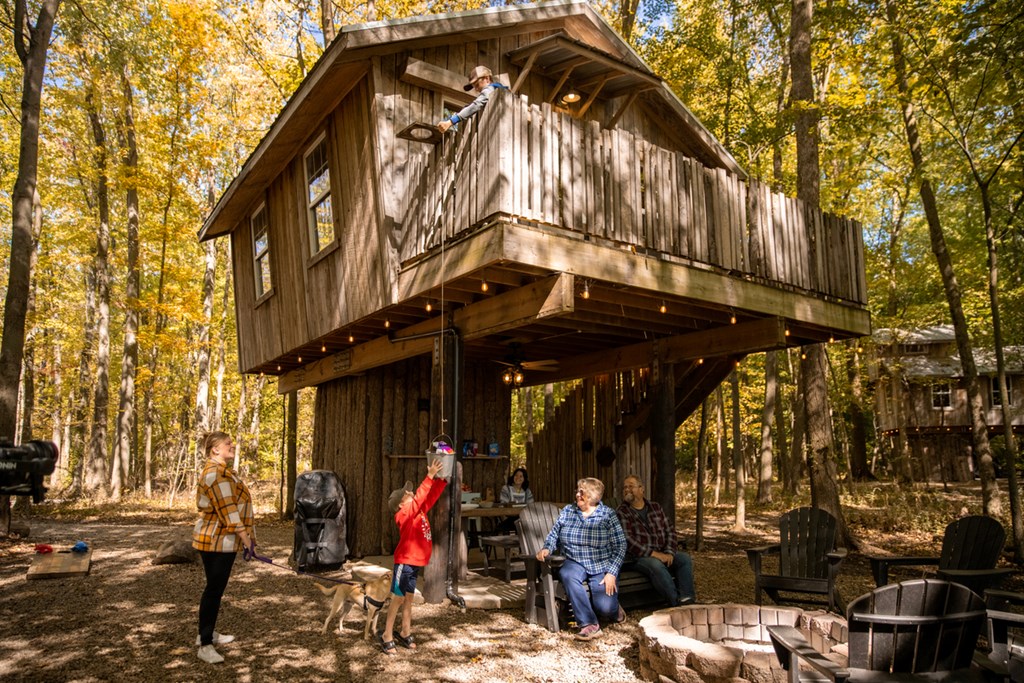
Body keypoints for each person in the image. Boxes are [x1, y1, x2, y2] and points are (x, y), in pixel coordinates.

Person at [192, 431, 255, 665]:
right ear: (214, 450)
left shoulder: (223, 472)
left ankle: (206, 633)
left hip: (222, 540)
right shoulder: (215, 474)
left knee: (215, 590)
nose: (232, 445)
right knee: (213, 591)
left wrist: (249, 537)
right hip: (215, 541)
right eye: (227, 443)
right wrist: (247, 540)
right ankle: (205, 644)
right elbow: (228, 511)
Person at [536, 477, 626, 640]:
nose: (577, 494)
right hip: (574, 561)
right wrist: (547, 547)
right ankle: (589, 624)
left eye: (581, 492)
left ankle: (615, 610)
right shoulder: (568, 511)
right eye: (577, 491)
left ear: (592, 496)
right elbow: (554, 534)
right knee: (568, 574)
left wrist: (611, 573)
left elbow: (620, 545)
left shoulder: (607, 515)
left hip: (601, 564)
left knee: (605, 609)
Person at [381, 458, 448, 655]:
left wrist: (441, 480)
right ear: (401, 504)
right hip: (405, 562)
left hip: (415, 563)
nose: (410, 492)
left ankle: (405, 630)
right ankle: (386, 635)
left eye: (410, 491)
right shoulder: (403, 515)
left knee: (409, 598)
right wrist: (429, 476)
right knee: (398, 599)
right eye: (406, 493)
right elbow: (420, 497)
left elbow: (429, 497)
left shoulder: (417, 510)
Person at [616, 475, 695, 607]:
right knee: (655, 565)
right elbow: (627, 539)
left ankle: (687, 598)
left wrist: (669, 552)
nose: (627, 489)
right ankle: (676, 603)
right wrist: (655, 554)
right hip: (636, 557)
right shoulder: (622, 512)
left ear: (641, 489)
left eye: (631, 486)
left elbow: (670, 530)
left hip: (661, 551)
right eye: (625, 487)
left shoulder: (655, 507)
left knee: (684, 559)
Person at [436, 65, 507, 133]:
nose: (476, 89)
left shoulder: (490, 89)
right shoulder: (496, 92)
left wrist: (451, 121)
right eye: (474, 87)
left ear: (487, 79)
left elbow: (476, 105)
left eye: (477, 85)